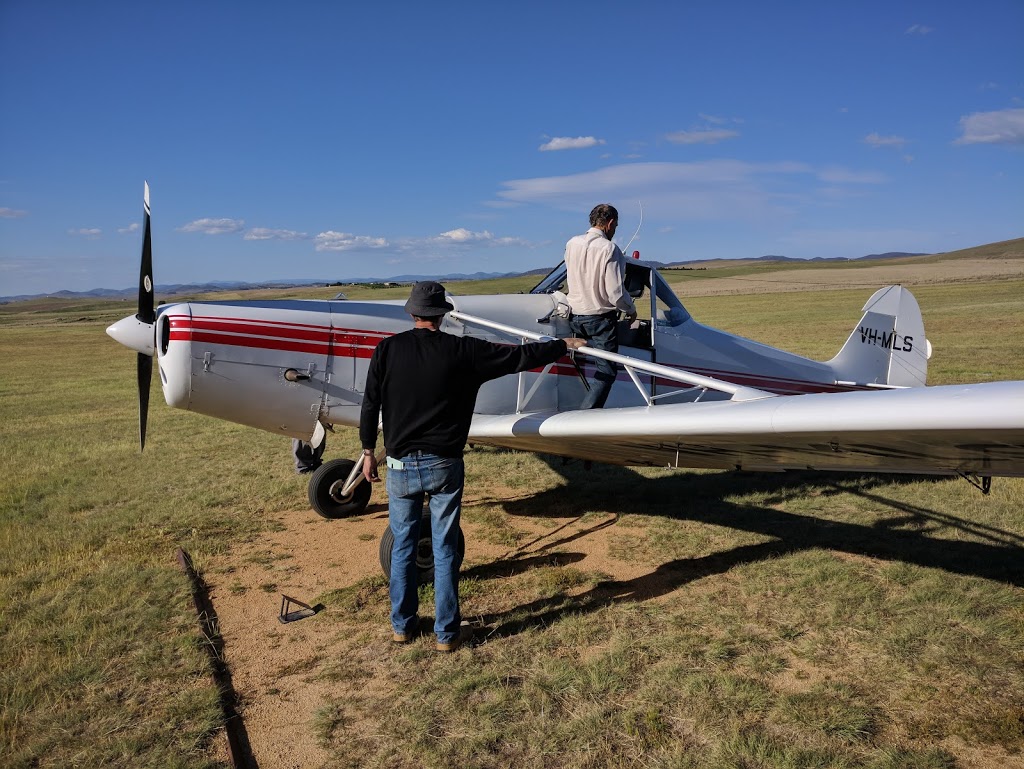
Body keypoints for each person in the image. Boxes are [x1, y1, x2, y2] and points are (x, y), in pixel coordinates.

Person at [358, 281, 586, 652]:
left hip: (399, 465)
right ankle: (446, 634)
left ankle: (402, 625)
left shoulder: (387, 350)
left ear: (413, 313)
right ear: (442, 313)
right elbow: (518, 358)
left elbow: (370, 404)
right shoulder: (464, 350)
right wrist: (563, 345)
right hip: (445, 464)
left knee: (402, 546)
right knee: (445, 547)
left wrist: (368, 451)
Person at [564, 203, 637, 409]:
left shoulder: (572, 244)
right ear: (610, 223)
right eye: (615, 227)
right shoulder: (609, 249)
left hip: (574, 316)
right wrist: (630, 309)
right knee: (606, 371)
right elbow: (615, 291)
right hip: (600, 319)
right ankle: (584, 417)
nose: (614, 231)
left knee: (579, 364)